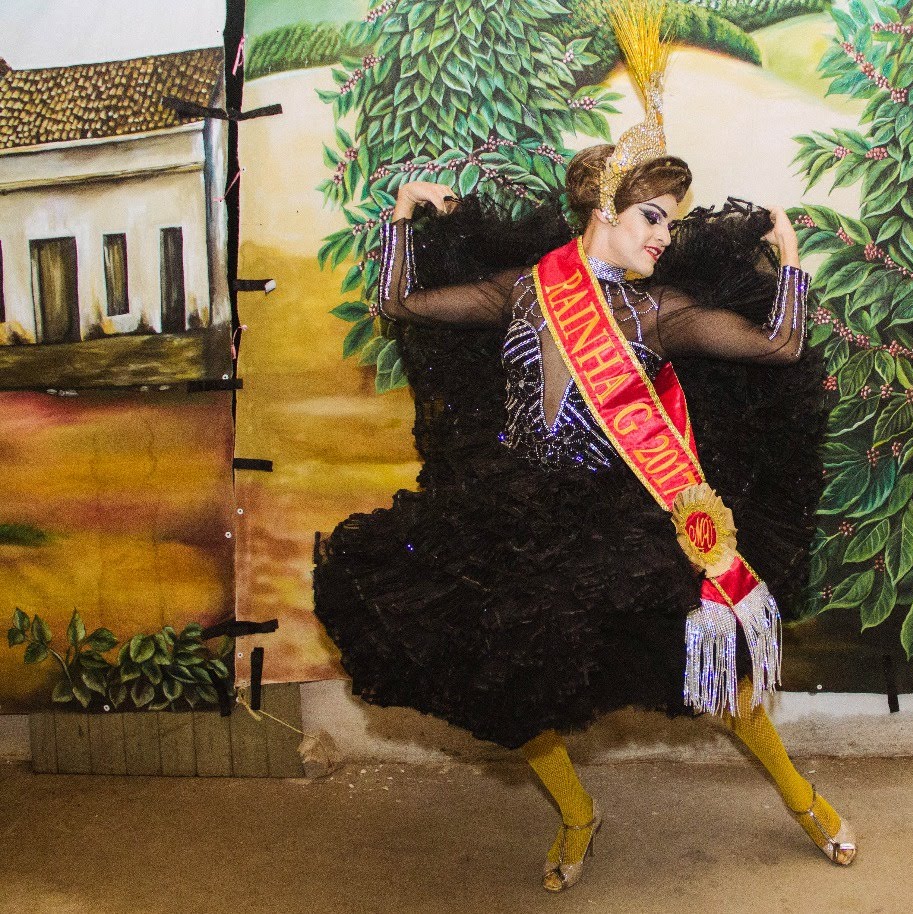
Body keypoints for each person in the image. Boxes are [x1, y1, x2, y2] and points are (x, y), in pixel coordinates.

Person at [313, 2, 852, 892]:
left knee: (716, 682)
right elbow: (400, 304)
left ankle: (804, 801)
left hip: (621, 523)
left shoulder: (658, 310)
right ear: (605, 209)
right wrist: (403, 214)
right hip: (517, 514)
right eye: (652, 218)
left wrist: (789, 258)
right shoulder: (528, 289)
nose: (664, 237)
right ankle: (575, 812)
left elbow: (780, 347)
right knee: (507, 680)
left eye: (671, 223)